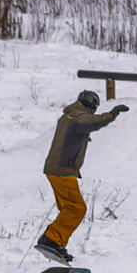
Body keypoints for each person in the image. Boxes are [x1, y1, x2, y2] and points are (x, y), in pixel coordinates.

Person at [36, 90, 128, 262]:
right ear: (92, 106)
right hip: (62, 170)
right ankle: (51, 239)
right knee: (77, 208)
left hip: (57, 169)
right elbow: (90, 122)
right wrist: (112, 114)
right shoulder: (76, 116)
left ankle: (56, 243)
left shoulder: (70, 116)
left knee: (68, 209)